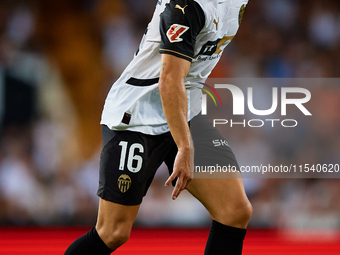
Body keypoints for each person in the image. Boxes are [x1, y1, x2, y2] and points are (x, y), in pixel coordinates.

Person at [64, 0, 252, 254]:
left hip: (185, 110)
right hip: (139, 115)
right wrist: (184, 146)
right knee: (113, 232)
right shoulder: (186, 5)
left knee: (234, 211)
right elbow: (169, 79)